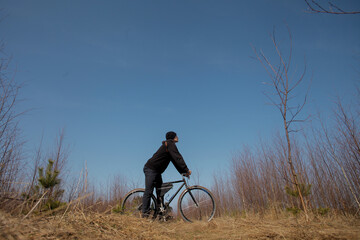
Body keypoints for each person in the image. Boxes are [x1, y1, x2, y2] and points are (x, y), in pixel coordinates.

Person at [142, 131, 191, 218]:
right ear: (173, 137)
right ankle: (144, 216)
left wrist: (183, 172)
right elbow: (178, 158)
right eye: (176, 135)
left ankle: (161, 214)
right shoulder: (170, 144)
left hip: (157, 171)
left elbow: (175, 161)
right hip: (150, 169)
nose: (178, 137)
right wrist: (186, 170)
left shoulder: (169, 146)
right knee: (149, 191)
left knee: (160, 192)